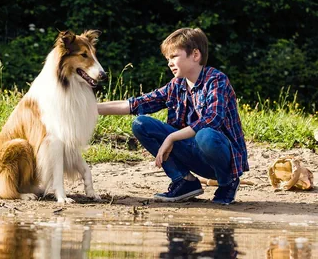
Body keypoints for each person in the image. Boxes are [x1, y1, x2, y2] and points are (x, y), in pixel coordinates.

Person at [97, 28, 248, 205]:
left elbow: (212, 119)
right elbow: (136, 104)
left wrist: (172, 137)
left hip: (222, 158)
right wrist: (90, 108)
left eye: (174, 56)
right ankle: (184, 181)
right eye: (168, 58)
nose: (169, 63)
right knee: (141, 124)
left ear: (195, 55)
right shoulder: (176, 85)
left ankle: (227, 182)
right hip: (195, 155)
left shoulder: (216, 79)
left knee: (205, 134)